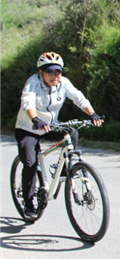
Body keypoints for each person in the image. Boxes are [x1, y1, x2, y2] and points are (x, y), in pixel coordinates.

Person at [15, 52, 103, 218]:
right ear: (41, 72)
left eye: (58, 71)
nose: (54, 75)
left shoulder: (64, 83)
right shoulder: (33, 83)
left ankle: (65, 170)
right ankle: (28, 203)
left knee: (72, 133)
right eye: (50, 71)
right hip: (28, 128)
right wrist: (35, 119)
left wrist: (92, 114)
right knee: (30, 164)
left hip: (49, 126)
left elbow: (78, 97)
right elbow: (27, 102)